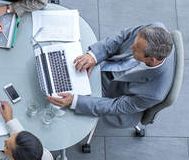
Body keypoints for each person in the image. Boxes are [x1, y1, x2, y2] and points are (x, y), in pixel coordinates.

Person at [47, 23, 175, 128]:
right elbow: (123, 37)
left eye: (135, 50)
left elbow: (116, 106)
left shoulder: (153, 93)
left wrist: (75, 101)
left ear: (151, 60)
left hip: (113, 96)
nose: (131, 48)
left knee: (57, 110)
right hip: (106, 65)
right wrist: (94, 56)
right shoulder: (153, 28)